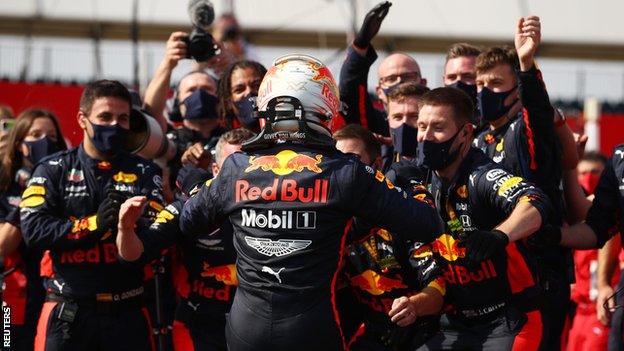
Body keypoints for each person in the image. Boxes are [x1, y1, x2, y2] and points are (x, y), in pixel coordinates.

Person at [179, 54, 442, 351]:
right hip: (310, 329)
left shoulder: (237, 166)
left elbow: (189, 220)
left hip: (244, 329)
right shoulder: (345, 170)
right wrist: (412, 180)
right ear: (324, 107)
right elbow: (427, 223)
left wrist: (196, 185)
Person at [393, 87, 551, 351]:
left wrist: (499, 235)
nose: (426, 137)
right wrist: (413, 305)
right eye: (422, 126)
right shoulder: (418, 179)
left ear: (465, 133)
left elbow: (535, 201)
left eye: (438, 128)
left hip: (509, 321)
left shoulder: (482, 176)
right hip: (454, 324)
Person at [20, 80, 164, 351]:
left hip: (127, 312)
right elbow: (34, 231)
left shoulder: (146, 171)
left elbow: (155, 238)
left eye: (123, 118)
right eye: (105, 116)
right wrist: (94, 224)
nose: (114, 125)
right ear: (82, 119)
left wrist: (126, 229)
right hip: (68, 311)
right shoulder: (52, 169)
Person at [472, 16, 572, 350]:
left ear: (517, 86)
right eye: (480, 84)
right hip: (500, 279)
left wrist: (527, 64)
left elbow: (539, 118)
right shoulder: (478, 140)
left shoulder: (523, 129)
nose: (485, 91)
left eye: (496, 83)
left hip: (542, 277)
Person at [116, 128, 255, 351]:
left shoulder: (278, 211)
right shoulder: (188, 207)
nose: (240, 174)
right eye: (232, 166)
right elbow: (134, 255)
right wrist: (125, 228)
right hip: (199, 324)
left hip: (256, 324)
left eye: (248, 165)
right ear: (216, 170)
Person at [0, 109, 67, 350]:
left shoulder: (69, 185)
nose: (44, 142)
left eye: (51, 136)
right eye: (36, 135)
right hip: (14, 302)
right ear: (20, 145)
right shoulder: (6, 186)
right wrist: (32, 190)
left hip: (60, 297)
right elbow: (2, 245)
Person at [338, 1, 427, 167]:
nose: (400, 83)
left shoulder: (437, 122)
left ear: (423, 83)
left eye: (408, 76)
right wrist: (361, 43)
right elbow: (350, 93)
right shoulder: (375, 126)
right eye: (391, 78)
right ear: (379, 91)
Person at [554, 143, 624, 351]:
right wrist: (554, 235)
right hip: (585, 309)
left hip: (599, 311)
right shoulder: (620, 157)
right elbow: (597, 219)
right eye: (584, 172)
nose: (589, 176)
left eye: (595, 172)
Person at [384, 82, 430, 165]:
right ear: (388, 120)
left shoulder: (442, 167)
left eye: (414, 116)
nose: (404, 123)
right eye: (398, 117)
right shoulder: (378, 161)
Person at [216, 60, 267, 132]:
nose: (249, 92)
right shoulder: (224, 140)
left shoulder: (285, 134)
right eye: (239, 90)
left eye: (256, 85)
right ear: (228, 101)